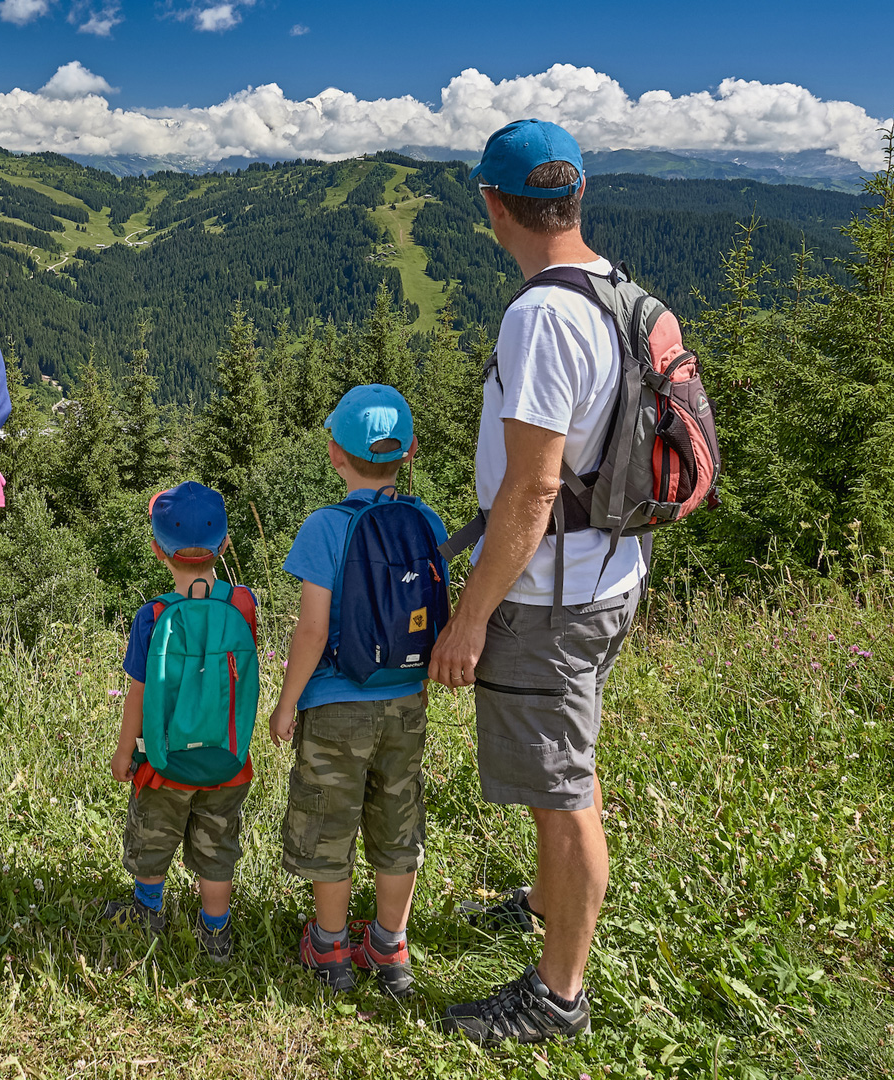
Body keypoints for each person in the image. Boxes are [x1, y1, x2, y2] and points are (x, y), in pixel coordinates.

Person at [427, 120, 648, 1045]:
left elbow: (533, 487)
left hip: (551, 594)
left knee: (564, 793)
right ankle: (545, 903)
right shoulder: (617, 291)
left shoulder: (542, 316)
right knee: (566, 766)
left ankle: (558, 997)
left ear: (493, 205)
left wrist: (471, 617)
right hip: (609, 573)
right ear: (578, 194)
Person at [269, 385, 445, 998]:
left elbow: (312, 630)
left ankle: (329, 946)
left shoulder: (326, 527)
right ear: (410, 451)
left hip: (336, 703)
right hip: (407, 699)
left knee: (330, 821)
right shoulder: (427, 522)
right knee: (398, 821)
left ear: (334, 454)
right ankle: (390, 946)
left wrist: (287, 703)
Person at [101, 482, 257, 963]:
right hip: (228, 757)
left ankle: (147, 911)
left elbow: (138, 694)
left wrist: (124, 752)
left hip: (163, 762)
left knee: (153, 837)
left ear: (157, 549)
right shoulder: (243, 604)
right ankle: (216, 932)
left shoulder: (153, 616)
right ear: (224, 544)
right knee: (217, 847)